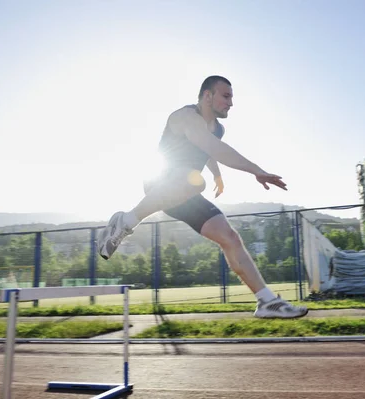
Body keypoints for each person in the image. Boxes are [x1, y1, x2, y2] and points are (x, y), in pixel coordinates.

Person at [97, 75, 308, 319]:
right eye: (226, 96)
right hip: (161, 183)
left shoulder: (217, 128)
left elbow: (208, 151)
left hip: (186, 192)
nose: (231, 103)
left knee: (230, 237)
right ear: (208, 96)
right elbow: (212, 147)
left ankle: (267, 301)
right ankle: (126, 221)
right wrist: (257, 171)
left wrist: (217, 174)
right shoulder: (184, 117)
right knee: (194, 180)